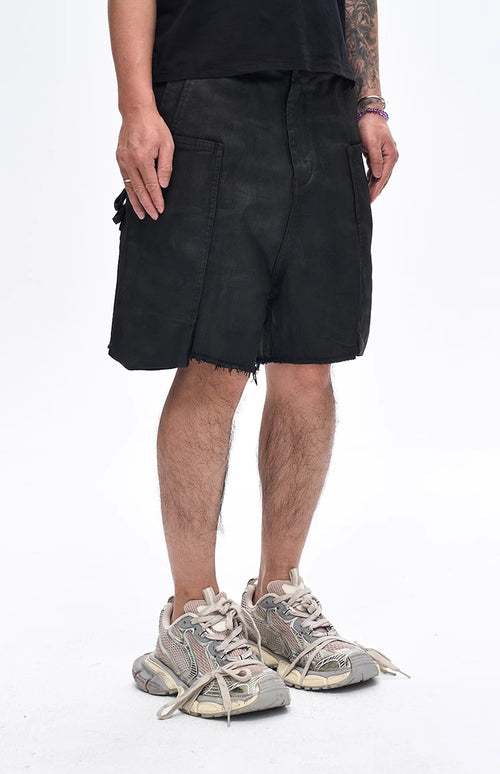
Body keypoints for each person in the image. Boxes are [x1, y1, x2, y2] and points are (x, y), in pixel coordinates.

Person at [107, 0, 406, 725]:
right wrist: (136, 106)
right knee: (215, 362)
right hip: (209, 91)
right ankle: (189, 618)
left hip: (323, 100)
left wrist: (368, 100)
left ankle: (276, 599)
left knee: (309, 363)